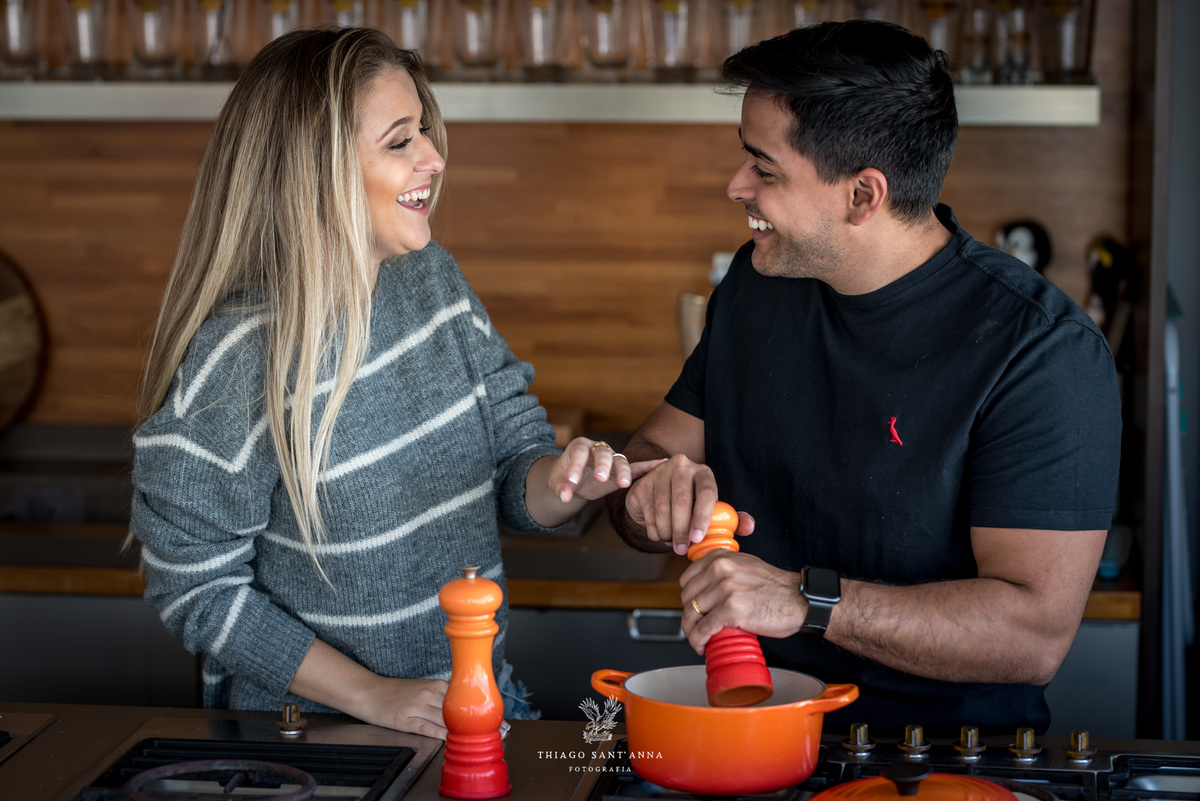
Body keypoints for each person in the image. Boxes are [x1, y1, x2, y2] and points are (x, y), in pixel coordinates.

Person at [130, 26, 655, 739]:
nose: (434, 159)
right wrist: (373, 695)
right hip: (315, 748)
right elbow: (195, 586)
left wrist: (567, 480)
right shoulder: (240, 358)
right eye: (400, 140)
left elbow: (512, 463)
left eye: (425, 134)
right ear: (316, 169)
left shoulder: (432, 283)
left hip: (478, 712)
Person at [607, 19, 1121, 735]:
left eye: (765, 168)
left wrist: (803, 599)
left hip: (941, 762)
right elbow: (646, 461)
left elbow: (1032, 636)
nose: (736, 186)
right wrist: (648, 495)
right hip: (758, 735)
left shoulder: (1040, 352)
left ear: (861, 195)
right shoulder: (759, 288)